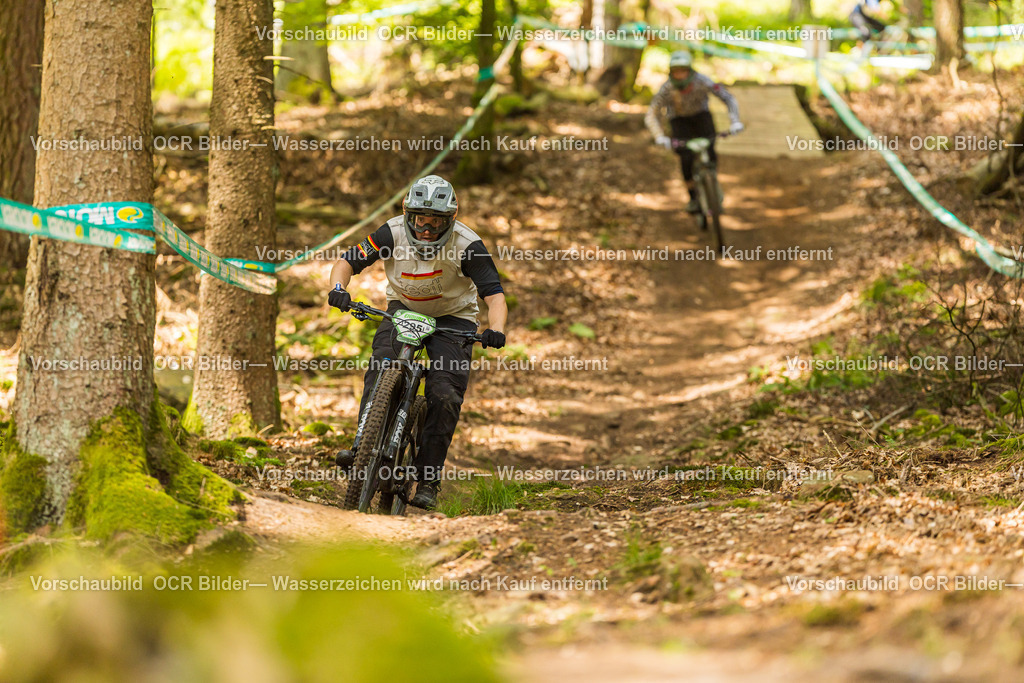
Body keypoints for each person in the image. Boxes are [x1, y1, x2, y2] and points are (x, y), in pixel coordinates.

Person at [327, 175, 507, 509]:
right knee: (381, 367)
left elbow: (494, 295)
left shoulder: (468, 245)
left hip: (454, 318)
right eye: (420, 219)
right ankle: (362, 446)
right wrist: (339, 289)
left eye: (436, 221)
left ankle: (428, 479)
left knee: (444, 393)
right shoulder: (391, 233)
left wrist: (495, 329)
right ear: (408, 214)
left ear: (450, 219)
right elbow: (347, 262)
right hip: (403, 308)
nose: (426, 228)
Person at [645, 50, 743, 213]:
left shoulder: (702, 81)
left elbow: (728, 98)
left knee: (710, 150)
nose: (680, 75)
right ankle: (692, 198)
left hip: (702, 118)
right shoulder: (667, 88)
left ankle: (712, 183)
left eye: (683, 70)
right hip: (679, 121)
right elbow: (652, 114)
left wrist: (735, 121)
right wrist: (659, 136)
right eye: (676, 71)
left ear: (690, 70)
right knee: (686, 159)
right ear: (671, 72)